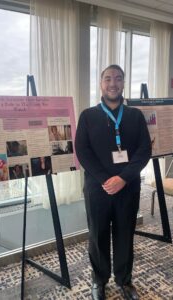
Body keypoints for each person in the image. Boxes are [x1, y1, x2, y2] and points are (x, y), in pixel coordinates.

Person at [75, 64, 151, 300]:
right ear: (101, 83)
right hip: (98, 188)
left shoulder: (135, 116)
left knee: (125, 233)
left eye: (118, 79)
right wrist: (106, 179)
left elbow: (144, 150)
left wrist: (123, 178)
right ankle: (99, 280)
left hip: (128, 187)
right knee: (97, 235)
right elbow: (82, 151)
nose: (113, 83)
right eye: (108, 79)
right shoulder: (88, 116)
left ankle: (124, 281)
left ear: (123, 83)